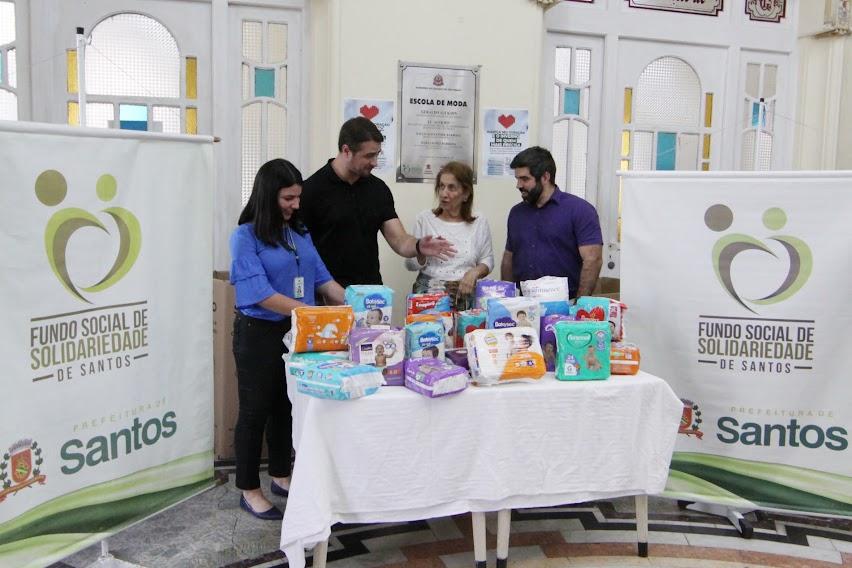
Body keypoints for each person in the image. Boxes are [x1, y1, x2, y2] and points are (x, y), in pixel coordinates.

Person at [229, 159, 346, 521]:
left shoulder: (299, 232)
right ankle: (249, 488)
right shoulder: (245, 236)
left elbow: (323, 279)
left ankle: (281, 475)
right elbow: (259, 293)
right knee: (255, 410)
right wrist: (309, 312)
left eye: (298, 197)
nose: (296, 205)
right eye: (288, 198)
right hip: (260, 333)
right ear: (268, 196)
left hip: (298, 333)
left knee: (286, 406)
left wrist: (358, 304)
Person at [301, 117, 455, 288]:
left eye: (377, 154)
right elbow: (303, 252)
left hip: (371, 293)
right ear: (346, 151)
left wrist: (418, 246)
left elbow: (399, 240)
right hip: (327, 295)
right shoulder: (311, 190)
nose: (375, 162)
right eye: (369, 156)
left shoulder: (378, 189)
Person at [500, 146, 603, 299]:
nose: (519, 185)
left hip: (565, 305)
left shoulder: (580, 210)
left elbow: (593, 260)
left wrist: (579, 304)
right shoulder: (516, 213)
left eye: (525, 179)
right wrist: (507, 300)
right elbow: (509, 257)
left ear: (545, 177)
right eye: (517, 179)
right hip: (523, 306)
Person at [405, 161, 493, 311]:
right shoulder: (425, 219)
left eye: (452, 188)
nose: (444, 193)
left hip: (465, 294)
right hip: (429, 294)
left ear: (465, 194)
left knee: (464, 334)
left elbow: (487, 260)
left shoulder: (479, 221)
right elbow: (409, 264)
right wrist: (421, 252)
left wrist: (474, 272)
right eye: (441, 186)